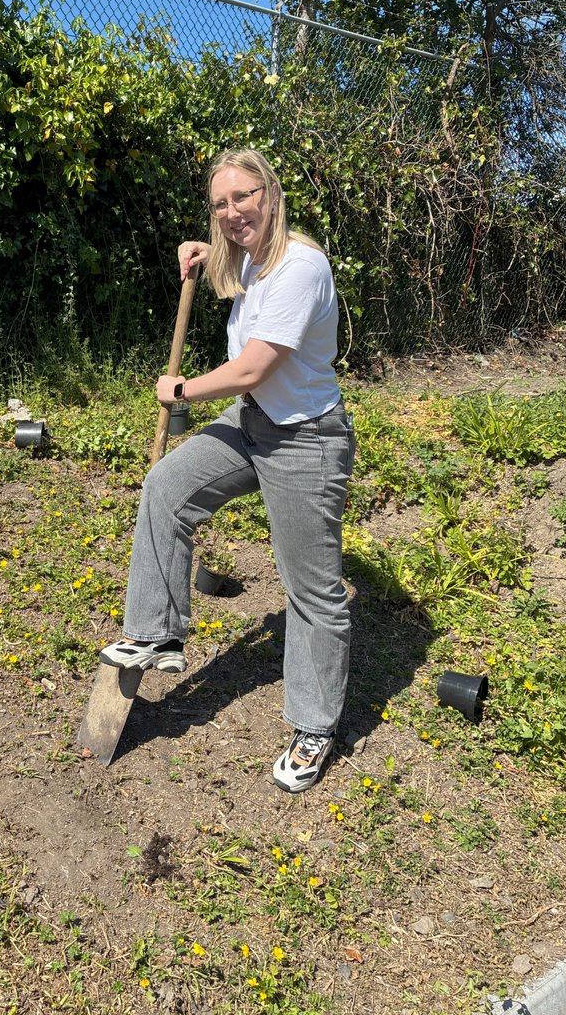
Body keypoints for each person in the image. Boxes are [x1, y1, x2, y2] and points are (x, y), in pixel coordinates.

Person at [99, 147, 356, 793]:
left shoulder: (302, 267)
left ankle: (315, 725)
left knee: (312, 590)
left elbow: (251, 369)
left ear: (271, 193)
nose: (233, 211)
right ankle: (156, 633)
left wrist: (181, 392)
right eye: (220, 203)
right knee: (167, 487)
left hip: (306, 441)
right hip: (253, 424)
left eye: (244, 196)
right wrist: (200, 250)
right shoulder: (249, 258)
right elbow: (226, 256)